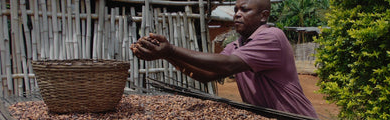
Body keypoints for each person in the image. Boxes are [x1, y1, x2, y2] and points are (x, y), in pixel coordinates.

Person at [130, 0, 318, 118]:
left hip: (295, 116)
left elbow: (228, 66)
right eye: (236, 9)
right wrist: (167, 54)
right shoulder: (236, 45)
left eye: (245, 10)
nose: (237, 14)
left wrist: (171, 49)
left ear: (263, 16)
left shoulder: (272, 37)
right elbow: (208, 74)